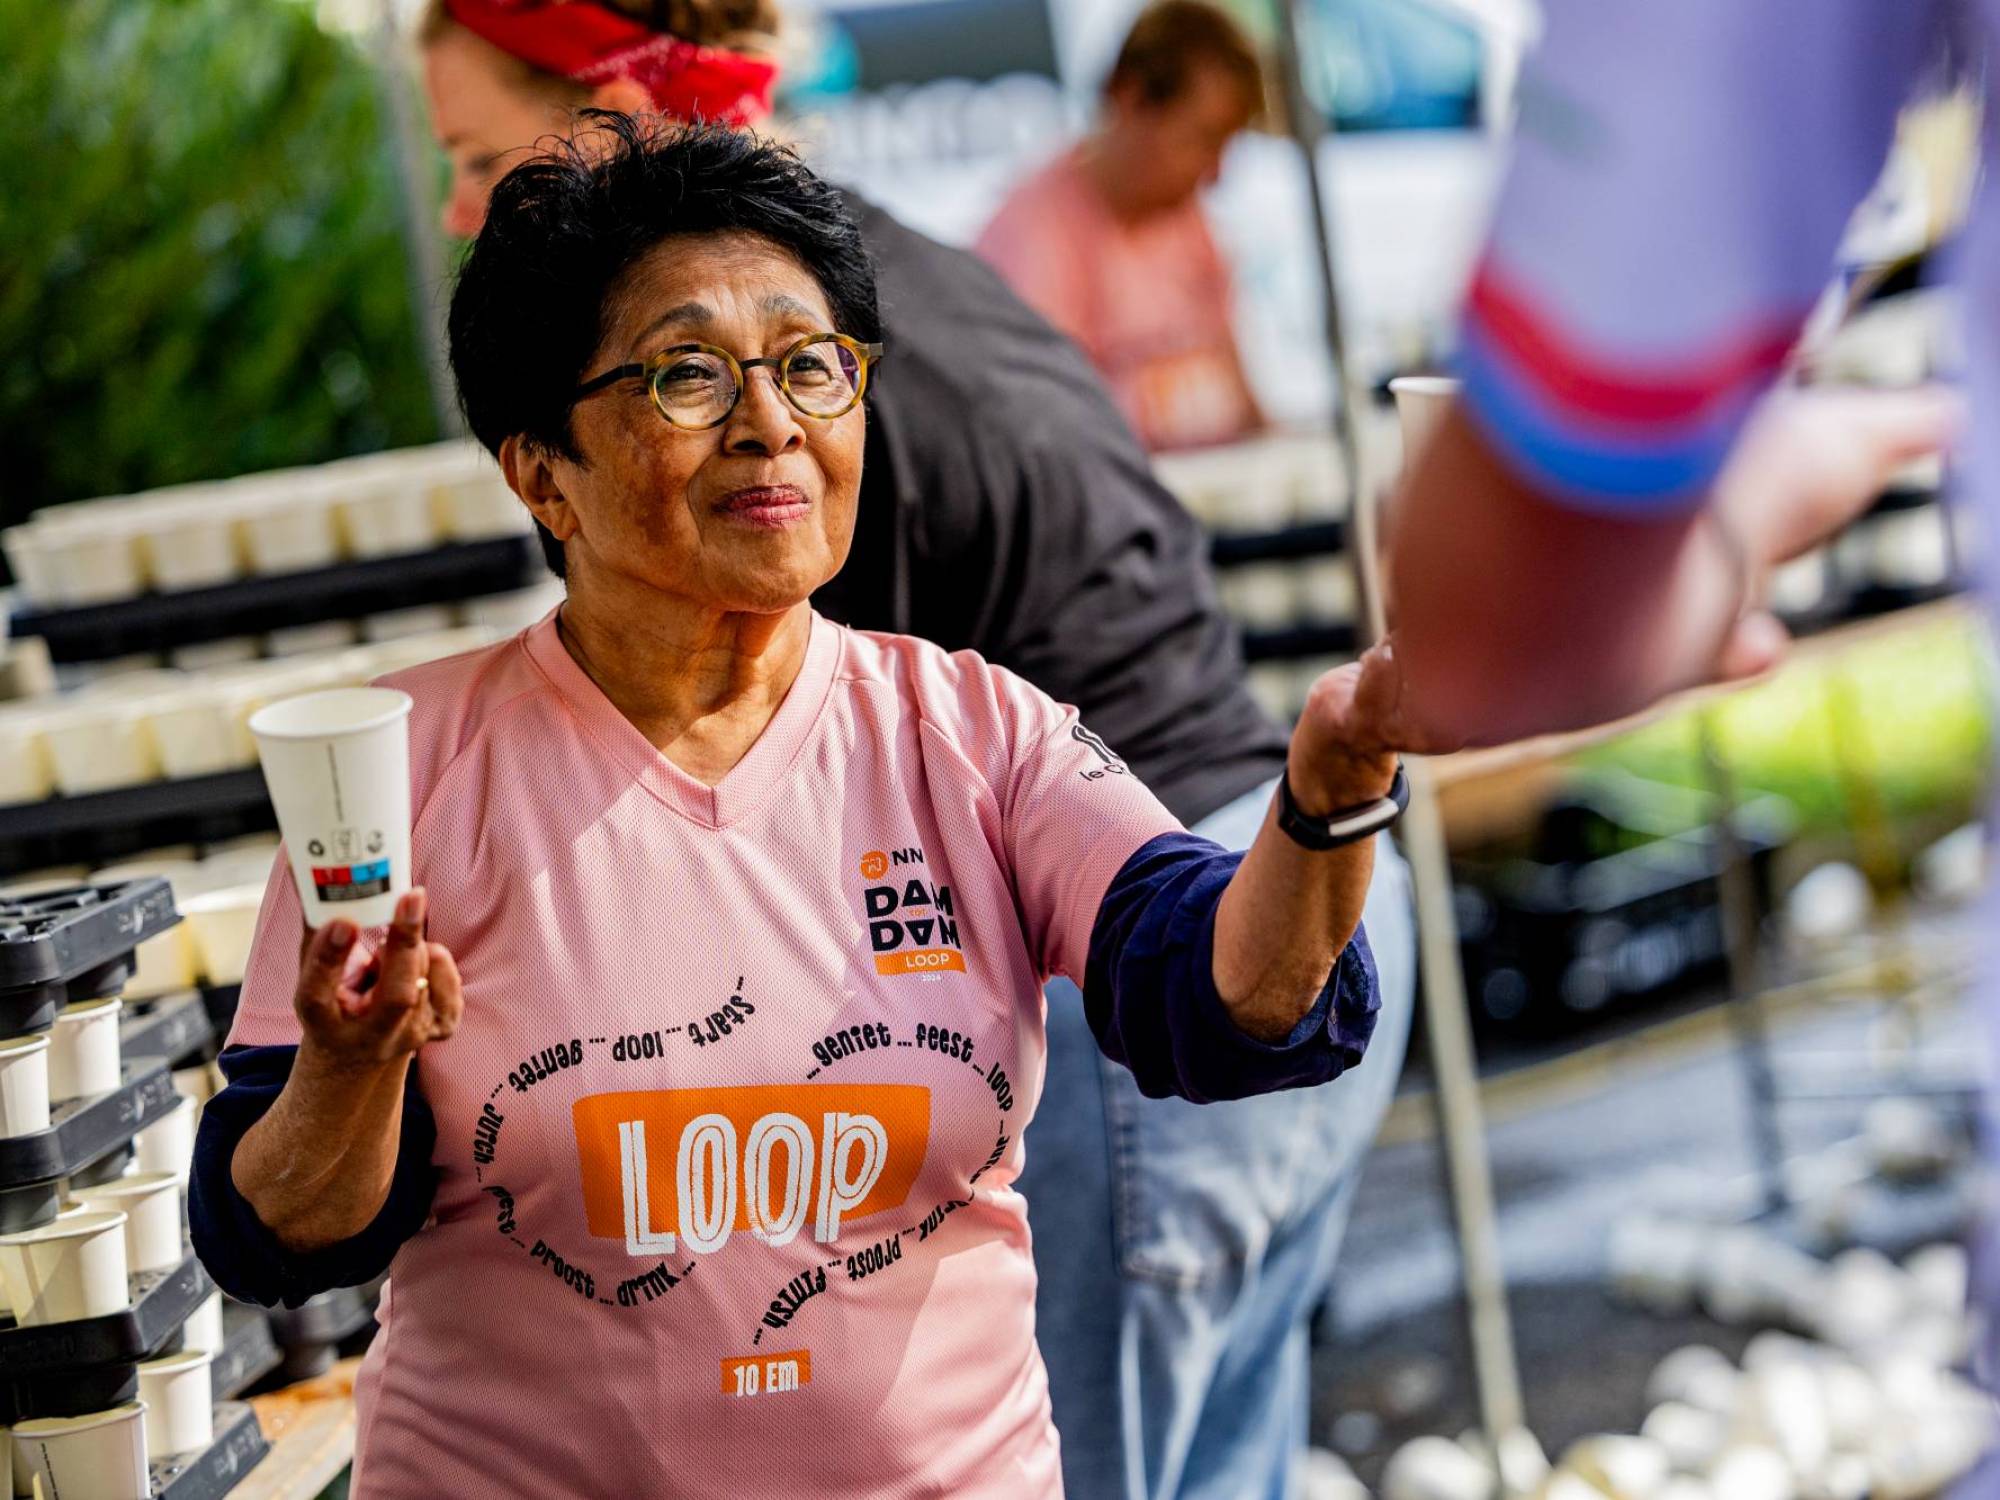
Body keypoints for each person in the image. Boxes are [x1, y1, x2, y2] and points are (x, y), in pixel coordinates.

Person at [189, 119, 1413, 1497]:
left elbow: (1222, 993)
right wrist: (350, 1066)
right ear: (542, 471)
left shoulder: (973, 732)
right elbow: (279, 1235)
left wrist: (1327, 798)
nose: (770, 421)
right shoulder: (403, 770)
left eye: (810, 365)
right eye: (687, 375)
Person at [976, 0, 1268, 452]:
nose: (1215, 173)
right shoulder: (1031, 238)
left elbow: (1246, 401)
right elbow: (1042, 436)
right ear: (1131, 98)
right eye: (1202, 140)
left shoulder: (1190, 223)